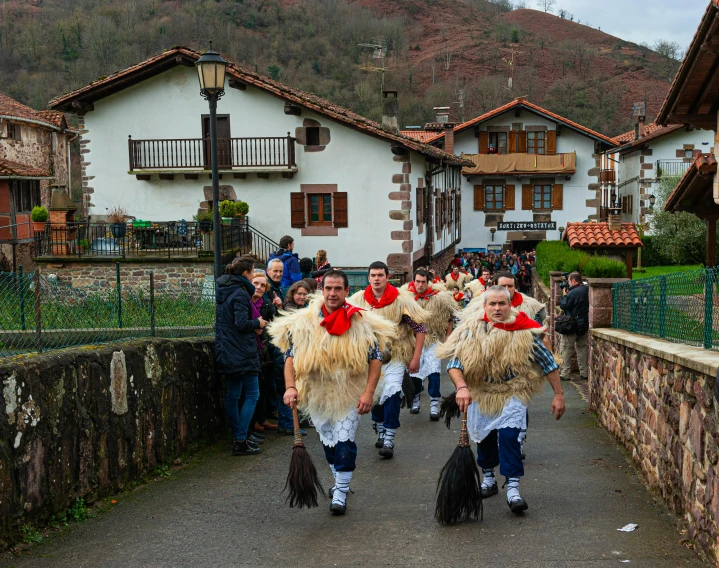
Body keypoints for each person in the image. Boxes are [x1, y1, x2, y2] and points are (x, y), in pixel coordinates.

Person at [269, 269, 397, 515]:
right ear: (322, 290)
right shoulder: (304, 323)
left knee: (345, 442)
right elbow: (289, 357)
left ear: (347, 291)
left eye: (338, 288)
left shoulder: (362, 322)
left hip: (349, 391)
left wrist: (368, 393)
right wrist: (291, 387)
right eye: (328, 288)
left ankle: (340, 491)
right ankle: (340, 479)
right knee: (328, 443)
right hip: (317, 392)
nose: (333, 293)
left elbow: (376, 359)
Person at [436, 286, 565, 513]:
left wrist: (559, 394)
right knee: (484, 438)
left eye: (501, 304)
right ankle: (488, 478)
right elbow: (455, 364)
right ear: (484, 306)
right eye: (492, 304)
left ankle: (513, 490)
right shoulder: (470, 331)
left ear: (510, 305)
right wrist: (462, 387)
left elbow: (548, 363)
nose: (497, 308)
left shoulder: (524, 330)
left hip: (512, 390)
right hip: (482, 392)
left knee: (509, 437)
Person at [349, 262, 430, 459]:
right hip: (367, 357)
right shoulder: (358, 300)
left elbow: (420, 328)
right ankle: (380, 426)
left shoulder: (401, 300)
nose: (376, 279)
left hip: (394, 354)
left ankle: (389, 437)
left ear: (387, 277)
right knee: (375, 393)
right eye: (373, 275)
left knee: (393, 391)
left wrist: (416, 357)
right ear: (368, 278)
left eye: (380, 275)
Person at [215, 256, 268, 456]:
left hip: (227, 349)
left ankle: (239, 438)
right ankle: (240, 438)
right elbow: (241, 323)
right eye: (253, 271)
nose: (254, 275)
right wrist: (258, 323)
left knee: (233, 395)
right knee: (252, 394)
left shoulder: (224, 290)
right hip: (241, 351)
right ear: (246, 273)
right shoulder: (239, 293)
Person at [402, 269, 456, 419]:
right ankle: (415, 399)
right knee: (414, 372)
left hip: (433, 339)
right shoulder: (405, 298)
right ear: (413, 281)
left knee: (434, 372)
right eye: (417, 281)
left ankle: (433, 405)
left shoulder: (439, 299)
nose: (420, 284)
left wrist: (448, 336)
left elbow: (449, 317)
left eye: (423, 282)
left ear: (428, 282)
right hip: (413, 341)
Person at [250, 271, 278, 438]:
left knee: (264, 386)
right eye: (256, 284)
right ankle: (254, 423)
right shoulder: (246, 302)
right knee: (253, 390)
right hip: (250, 350)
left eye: (262, 285)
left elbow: (274, 326)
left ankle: (261, 419)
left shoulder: (266, 304)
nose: (259, 287)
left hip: (264, 350)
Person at [558, 272, 589, 381]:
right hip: (583, 324)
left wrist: (565, 295)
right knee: (582, 348)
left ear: (574, 281)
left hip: (570, 324)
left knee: (566, 349)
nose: (569, 284)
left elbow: (563, 305)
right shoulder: (587, 290)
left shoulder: (572, 293)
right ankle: (584, 373)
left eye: (569, 281)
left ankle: (565, 373)